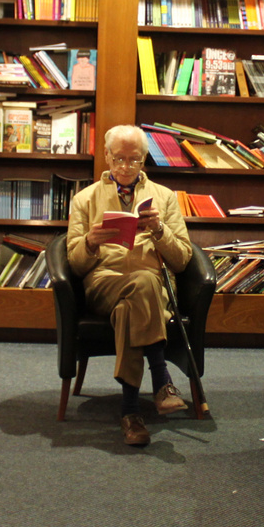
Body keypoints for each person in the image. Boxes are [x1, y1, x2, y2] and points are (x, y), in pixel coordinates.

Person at [65, 125, 194, 447]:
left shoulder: (163, 198)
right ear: (106, 157)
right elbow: (76, 266)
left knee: (136, 297)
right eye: (118, 159)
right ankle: (162, 379)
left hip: (148, 287)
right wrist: (91, 243)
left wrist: (160, 231)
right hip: (103, 284)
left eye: (133, 160)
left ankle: (131, 413)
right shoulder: (85, 199)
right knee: (142, 286)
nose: (125, 167)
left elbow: (181, 260)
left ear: (144, 159)